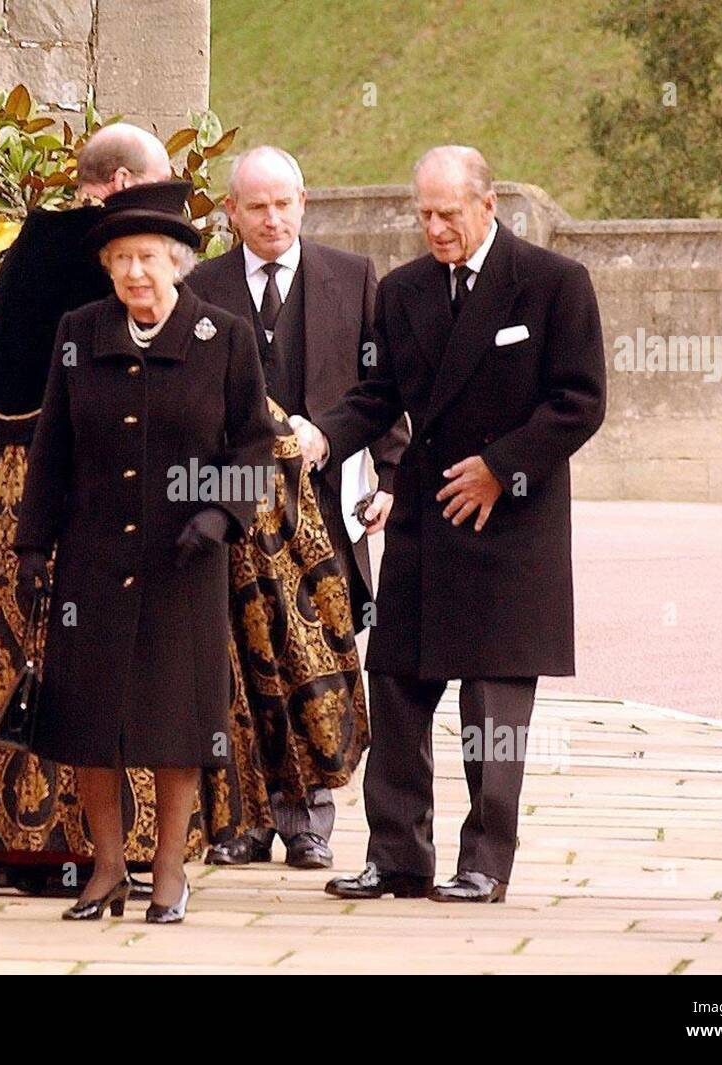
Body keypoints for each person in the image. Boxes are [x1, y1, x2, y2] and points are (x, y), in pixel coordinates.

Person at [296, 146, 606, 903]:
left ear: (488, 203)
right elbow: (378, 395)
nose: (435, 228)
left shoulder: (552, 283)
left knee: (491, 708)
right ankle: (397, 857)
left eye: (449, 214)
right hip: (428, 526)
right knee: (397, 690)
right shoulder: (402, 292)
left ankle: (484, 862)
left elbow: (580, 400)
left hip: (512, 529)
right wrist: (323, 435)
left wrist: (502, 466)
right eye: (424, 214)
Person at [0, 124, 175, 890]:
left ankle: (20, 850)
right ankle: (64, 848)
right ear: (117, 183)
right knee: (74, 660)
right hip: (67, 497)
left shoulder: (32, 247)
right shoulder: (97, 262)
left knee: (7, 659)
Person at [11, 181, 276, 922]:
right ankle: (104, 870)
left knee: (173, 722)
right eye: (121, 259)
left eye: (149, 259)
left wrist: (222, 513)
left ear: (179, 264)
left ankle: (166, 871)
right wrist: (34, 543)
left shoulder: (223, 338)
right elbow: (50, 447)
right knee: (91, 722)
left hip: (184, 562)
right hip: (91, 559)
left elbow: (254, 441)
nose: (135, 273)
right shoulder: (78, 333)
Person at [185, 145, 406, 870]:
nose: (272, 218)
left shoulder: (354, 276)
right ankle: (244, 821)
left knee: (321, 662)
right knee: (241, 669)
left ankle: (310, 823)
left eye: (284, 204)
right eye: (256, 206)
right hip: (236, 519)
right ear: (231, 214)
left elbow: (384, 391)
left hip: (328, 515)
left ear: (303, 202)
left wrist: (391, 478)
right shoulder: (202, 286)